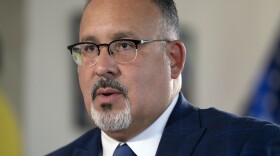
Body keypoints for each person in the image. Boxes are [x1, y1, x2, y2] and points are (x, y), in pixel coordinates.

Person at [48, 0, 280, 155]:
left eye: (124, 45)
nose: (101, 67)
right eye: (89, 48)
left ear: (173, 60)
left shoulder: (251, 145)